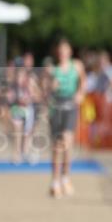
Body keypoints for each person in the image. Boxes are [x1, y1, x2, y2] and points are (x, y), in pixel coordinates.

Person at [46, 38, 86, 198]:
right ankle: (54, 181)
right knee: (57, 145)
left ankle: (66, 177)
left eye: (65, 50)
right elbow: (43, 89)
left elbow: (83, 80)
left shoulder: (76, 65)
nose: (63, 53)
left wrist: (81, 93)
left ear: (70, 51)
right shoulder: (51, 69)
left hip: (70, 105)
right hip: (56, 107)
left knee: (67, 141)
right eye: (60, 50)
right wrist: (51, 86)